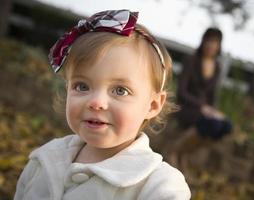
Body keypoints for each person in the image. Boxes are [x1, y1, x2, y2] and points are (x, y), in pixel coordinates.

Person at [14, 10, 191, 200]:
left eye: (120, 90)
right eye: (82, 86)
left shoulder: (158, 186)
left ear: (153, 105)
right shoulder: (44, 159)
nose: (96, 102)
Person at [177, 27, 232, 141]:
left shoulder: (217, 67)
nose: (210, 45)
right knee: (213, 125)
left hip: (205, 110)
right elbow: (181, 92)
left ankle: (185, 153)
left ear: (219, 45)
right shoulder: (191, 60)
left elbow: (212, 94)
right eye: (208, 41)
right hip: (188, 107)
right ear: (203, 41)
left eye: (215, 42)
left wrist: (213, 111)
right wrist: (202, 106)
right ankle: (177, 150)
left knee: (226, 126)